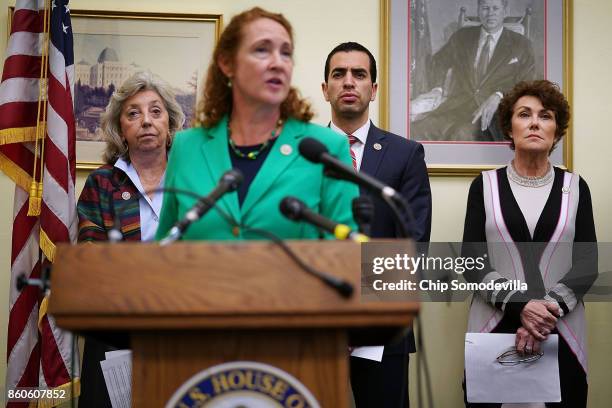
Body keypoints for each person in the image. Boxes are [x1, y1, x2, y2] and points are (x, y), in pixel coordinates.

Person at [155, 8, 357, 243]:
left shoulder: (327, 147)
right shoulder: (186, 147)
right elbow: (164, 247)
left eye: (286, 53)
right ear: (227, 63)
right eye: (262, 50)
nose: (278, 63)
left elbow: (349, 254)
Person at [461, 80, 597, 407]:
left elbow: (587, 264)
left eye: (545, 116)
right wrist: (522, 307)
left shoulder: (577, 187)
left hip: (561, 329)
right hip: (494, 325)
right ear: (509, 128)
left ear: (556, 130)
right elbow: (472, 261)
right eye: (525, 114)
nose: (535, 122)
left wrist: (543, 315)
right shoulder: (484, 186)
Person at [322, 41, 432, 407]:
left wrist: (364, 314)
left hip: (384, 326)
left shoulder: (405, 154)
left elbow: (414, 240)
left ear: (374, 88)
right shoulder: (301, 152)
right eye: (339, 74)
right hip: (316, 322)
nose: (349, 82)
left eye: (359, 74)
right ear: (326, 89)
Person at [77, 70, 185, 407]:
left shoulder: (194, 180)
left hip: (184, 332)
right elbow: (92, 263)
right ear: (120, 128)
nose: (147, 121)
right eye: (133, 113)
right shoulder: (102, 183)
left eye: (156, 111)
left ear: (170, 124)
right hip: (116, 335)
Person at [411, 0, 536, 141]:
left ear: (505, 12)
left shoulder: (521, 44)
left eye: (495, 8)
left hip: (493, 112)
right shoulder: (462, 36)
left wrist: (499, 95)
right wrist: (437, 89)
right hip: (457, 106)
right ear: (478, 10)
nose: (490, 13)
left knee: (462, 135)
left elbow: (527, 82)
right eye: (485, 8)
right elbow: (438, 62)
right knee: (416, 130)